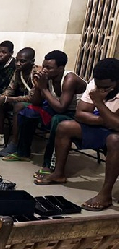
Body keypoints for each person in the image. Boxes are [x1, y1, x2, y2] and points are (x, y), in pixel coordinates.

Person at [35, 58, 119, 212]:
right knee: (64, 126)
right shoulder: (95, 84)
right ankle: (58, 173)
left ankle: (106, 194)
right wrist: (108, 120)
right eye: (98, 86)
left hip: (114, 134)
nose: (100, 90)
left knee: (115, 139)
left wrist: (99, 103)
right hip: (103, 126)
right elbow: (80, 114)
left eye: (106, 87)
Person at [2, 50, 86, 166]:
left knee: (57, 120)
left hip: (75, 113)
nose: (44, 70)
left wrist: (44, 88)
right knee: (27, 111)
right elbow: (37, 102)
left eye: (49, 68)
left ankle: (49, 164)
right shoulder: (46, 77)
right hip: (54, 107)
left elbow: (61, 108)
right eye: (44, 66)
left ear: (61, 68)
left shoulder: (70, 79)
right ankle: (22, 152)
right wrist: (38, 86)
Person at [0, 47, 37, 156]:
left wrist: (6, 99)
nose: (18, 64)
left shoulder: (36, 74)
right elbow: (10, 89)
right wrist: (0, 98)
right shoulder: (18, 72)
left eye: (22, 61)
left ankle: (14, 143)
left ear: (32, 61)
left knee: (18, 106)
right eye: (17, 60)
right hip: (21, 100)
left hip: (36, 103)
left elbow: (32, 97)